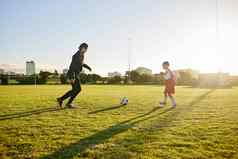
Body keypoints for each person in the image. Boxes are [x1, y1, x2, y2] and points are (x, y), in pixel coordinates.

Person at [57, 43, 92, 108]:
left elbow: (82, 63)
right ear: (82, 48)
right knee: (78, 89)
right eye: (86, 48)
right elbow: (72, 66)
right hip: (72, 74)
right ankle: (65, 102)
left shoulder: (82, 55)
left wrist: (88, 67)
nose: (86, 50)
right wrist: (72, 77)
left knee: (75, 89)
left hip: (76, 74)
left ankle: (62, 100)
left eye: (87, 48)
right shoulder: (76, 55)